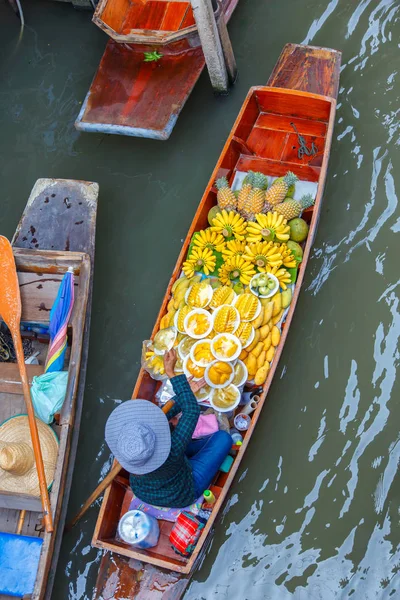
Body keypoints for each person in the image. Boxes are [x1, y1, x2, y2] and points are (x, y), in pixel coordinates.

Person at [105, 348, 232, 508]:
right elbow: (191, 411)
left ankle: (194, 454)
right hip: (184, 491)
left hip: (148, 489)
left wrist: (185, 392)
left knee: (184, 438)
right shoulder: (172, 452)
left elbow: (160, 416)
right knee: (223, 438)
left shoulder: (131, 452)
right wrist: (171, 372)